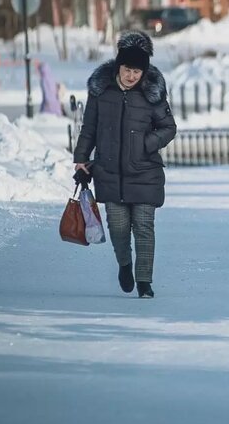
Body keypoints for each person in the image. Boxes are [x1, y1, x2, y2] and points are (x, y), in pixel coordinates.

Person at [72, 31, 177, 298]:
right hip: (109, 171)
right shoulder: (101, 92)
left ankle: (144, 282)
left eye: (137, 71)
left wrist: (145, 143)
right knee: (118, 228)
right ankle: (124, 264)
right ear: (119, 66)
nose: (132, 76)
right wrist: (81, 158)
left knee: (143, 227)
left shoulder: (151, 94)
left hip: (145, 173)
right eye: (128, 70)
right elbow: (89, 128)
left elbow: (168, 127)